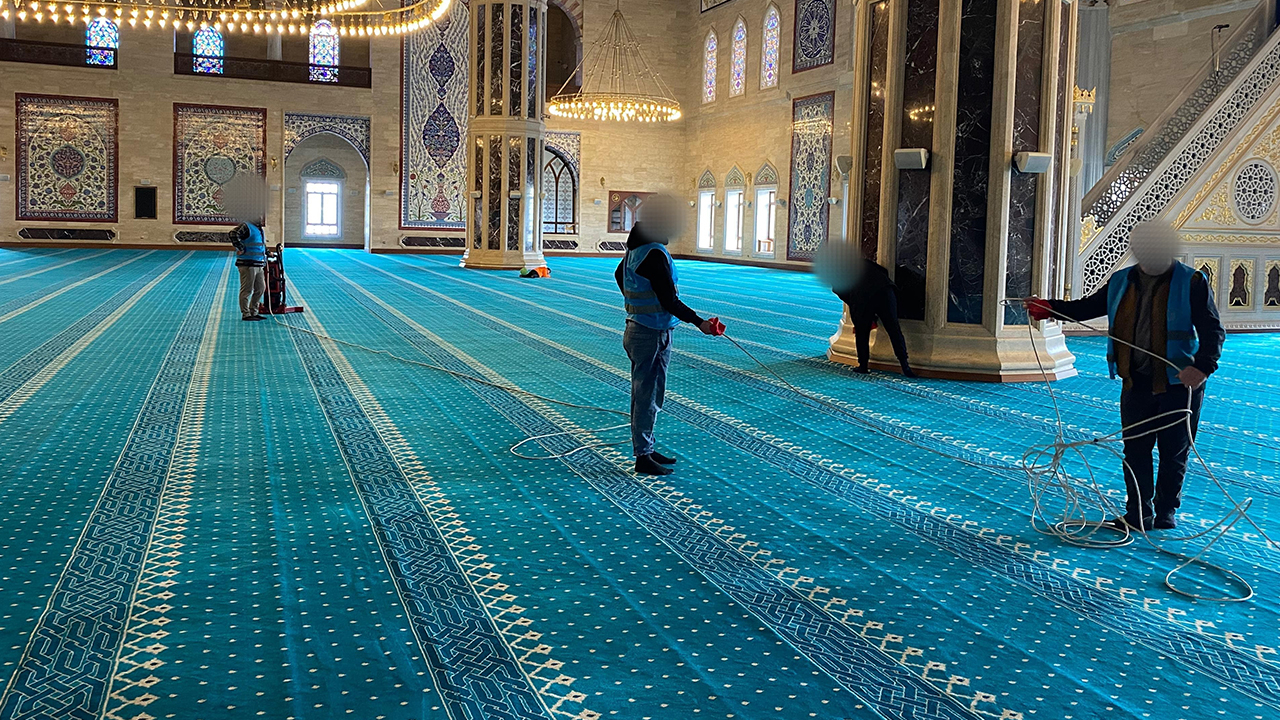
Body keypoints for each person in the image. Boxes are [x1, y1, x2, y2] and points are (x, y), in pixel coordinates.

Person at [1024, 220, 1225, 531]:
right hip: (1136, 382)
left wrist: (1202, 367)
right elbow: (1087, 307)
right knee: (1135, 451)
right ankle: (1138, 514)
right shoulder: (1121, 281)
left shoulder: (1192, 282)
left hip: (1179, 385)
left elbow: (1213, 330)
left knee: (1174, 451)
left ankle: (1166, 511)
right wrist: (1050, 308)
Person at [615, 196, 723, 476]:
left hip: (637, 327)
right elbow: (669, 301)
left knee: (645, 393)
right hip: (651, 333)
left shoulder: (635, 250)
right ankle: (643, 455)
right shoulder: (654, 253)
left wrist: (634, 302)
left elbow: (618, 275)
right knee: (647, 395)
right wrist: (700, 323)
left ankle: (646, 448)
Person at [817, 243, 915, 377]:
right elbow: (883, 271)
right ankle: (905, 366)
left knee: (862, 332)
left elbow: (844, 294)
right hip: (885, 290)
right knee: (894, 329)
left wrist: (861, 314)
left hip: (863, 297)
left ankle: (863, 366)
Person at [229, 219, 267, 321]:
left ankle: (254, 311)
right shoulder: (246, 226)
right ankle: (246, 314)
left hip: (258, 263)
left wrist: (268, 253)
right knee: (247, 290)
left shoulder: (258, 229)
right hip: (247, 264)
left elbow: (260, 245)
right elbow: (233, 234)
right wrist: (241, 248)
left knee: (261, 288)